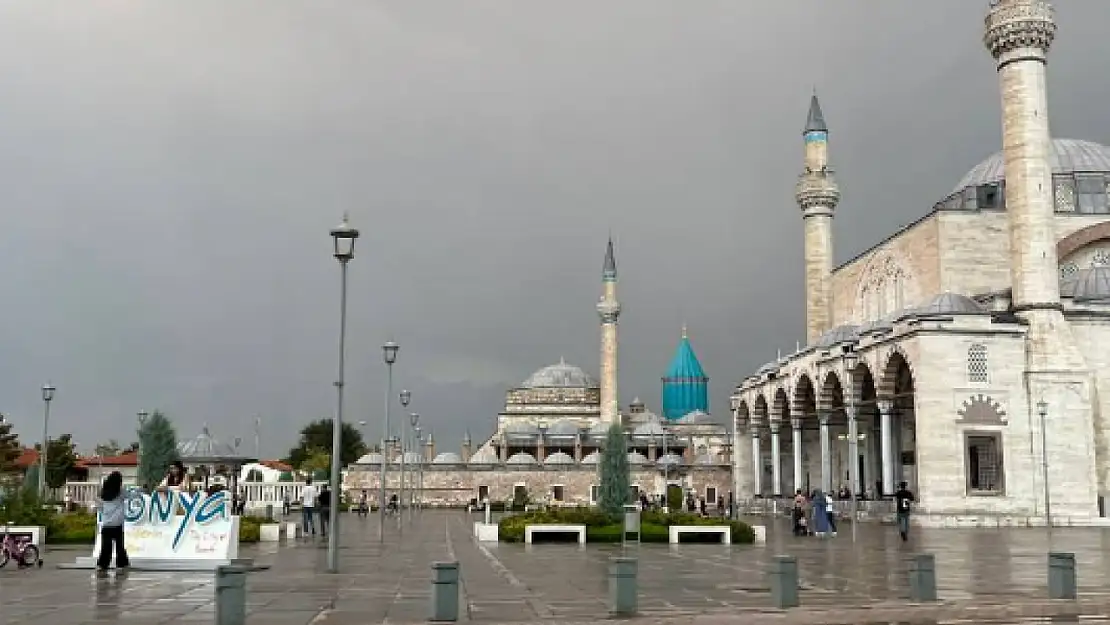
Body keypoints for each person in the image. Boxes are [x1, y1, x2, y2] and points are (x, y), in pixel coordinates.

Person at [95, 471, 130, 574]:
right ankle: (121, 564)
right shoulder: (120, 492)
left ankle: (102, 565)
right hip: (118, 523)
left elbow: (100, 507)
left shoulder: (103, 492)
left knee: (105, 547)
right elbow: (130, 496)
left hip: (106, 524)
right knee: (120, 546)